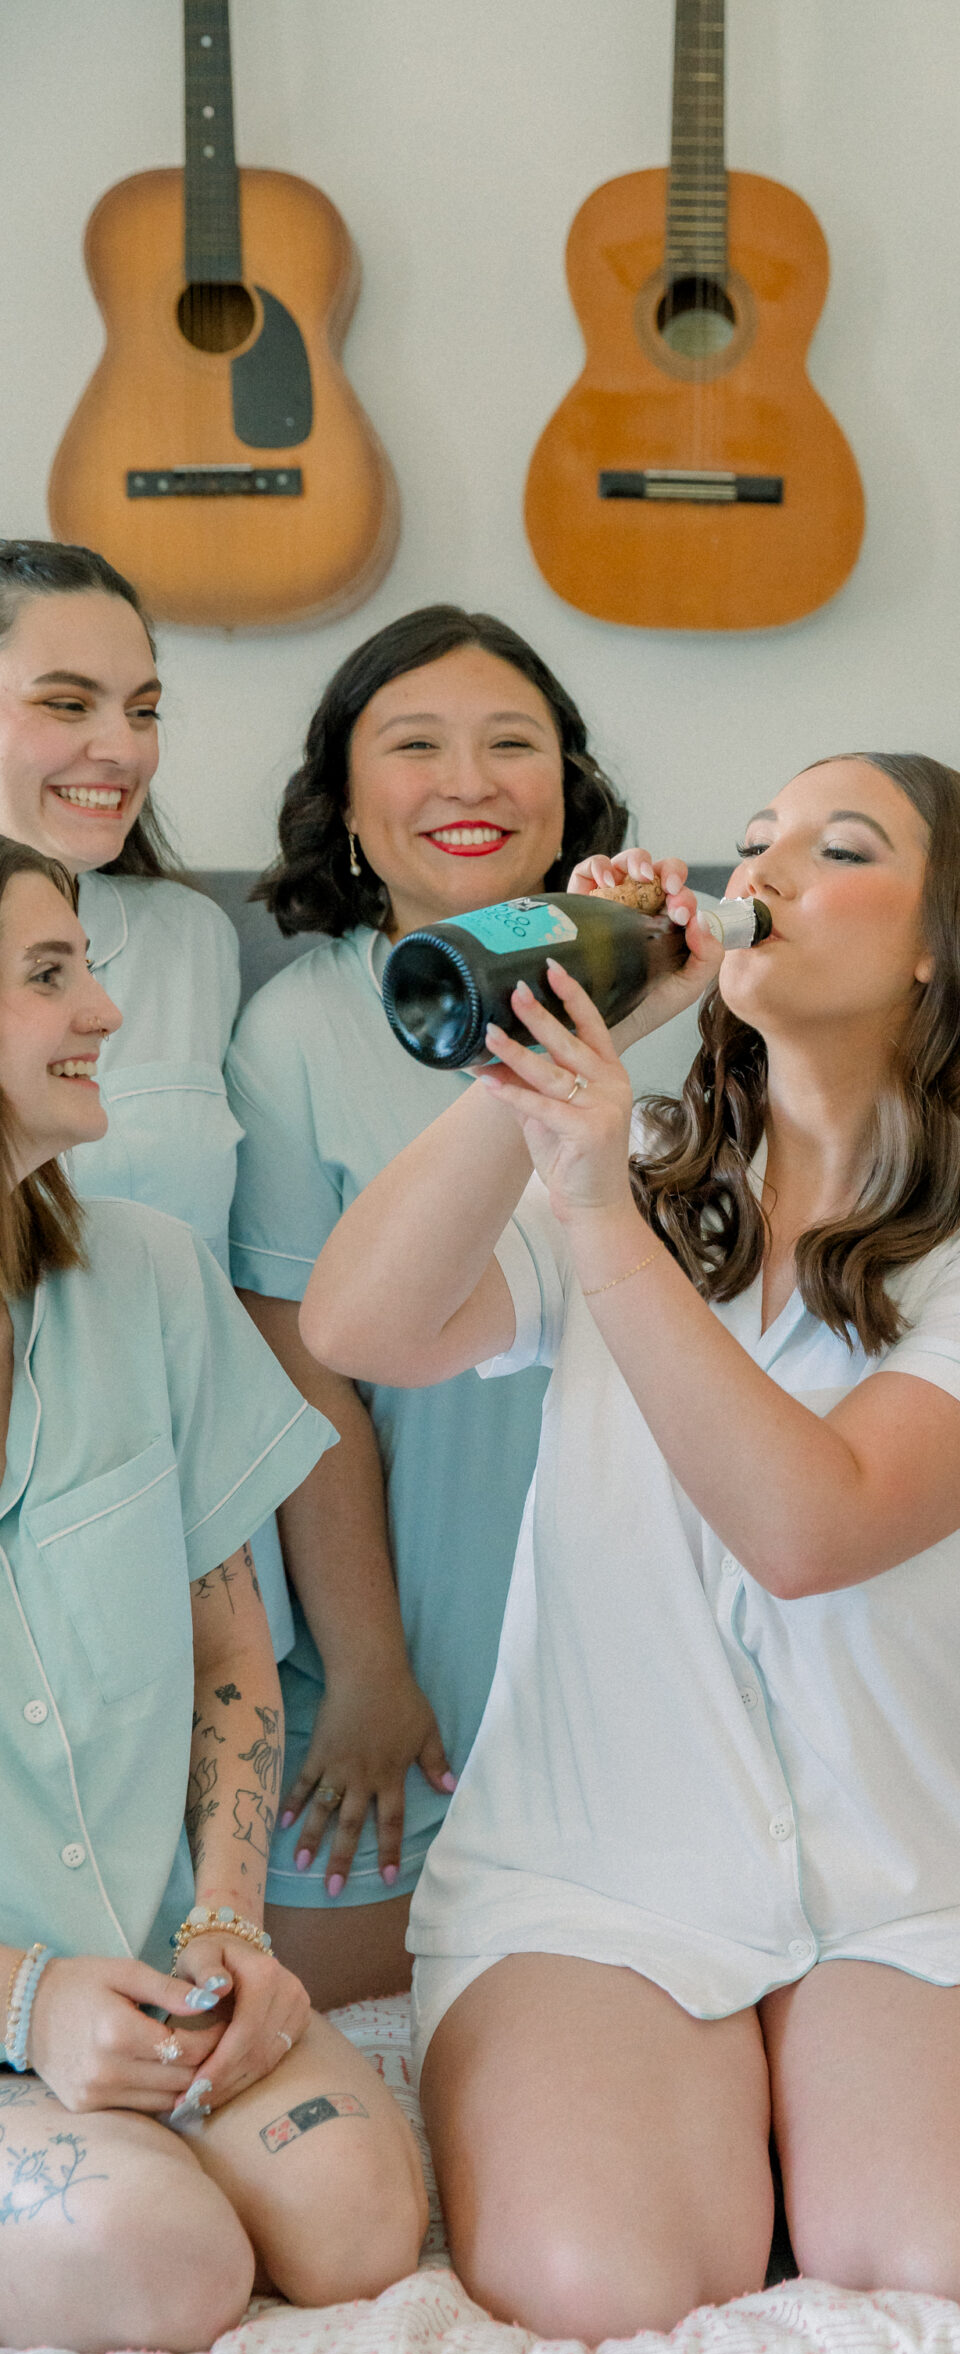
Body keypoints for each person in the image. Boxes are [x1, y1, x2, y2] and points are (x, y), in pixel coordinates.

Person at [301, 754, 960, 2338]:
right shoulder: (647, 1160)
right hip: (590, 1872)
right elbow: (359, 1322)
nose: (770, 869)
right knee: (602, 2284)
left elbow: (813, 1525)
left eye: (839, 847)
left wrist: (602, 1212)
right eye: (755, 845)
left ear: (947, 941)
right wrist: (553, 1068)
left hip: (911, 1881)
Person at [0, 837, 425, 2354]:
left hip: (158, 1968)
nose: (103, 1012)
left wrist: (235, 1923)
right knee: (164, 2264)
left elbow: (233, 1648)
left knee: (369, 2222)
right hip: (15, 2004)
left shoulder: (150, 1275)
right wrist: (25, 2003)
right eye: (50, 976)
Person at [226, 608, 627, 2011]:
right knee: (317, 2020)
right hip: (405, 1623)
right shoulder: (295, 1035)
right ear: (345, 804)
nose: (469, 781)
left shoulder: (687, 1009)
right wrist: (373, 1670)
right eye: (416, 746)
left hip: (642, 1620)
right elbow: (301, 1376)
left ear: (568, 789)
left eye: (512, 744)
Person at [0, 542, 307, 1664]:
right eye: (66, 704)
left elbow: (257, 1290)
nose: (121, 749)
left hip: (191, 1570)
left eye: (143, 708)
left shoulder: (188, 944)